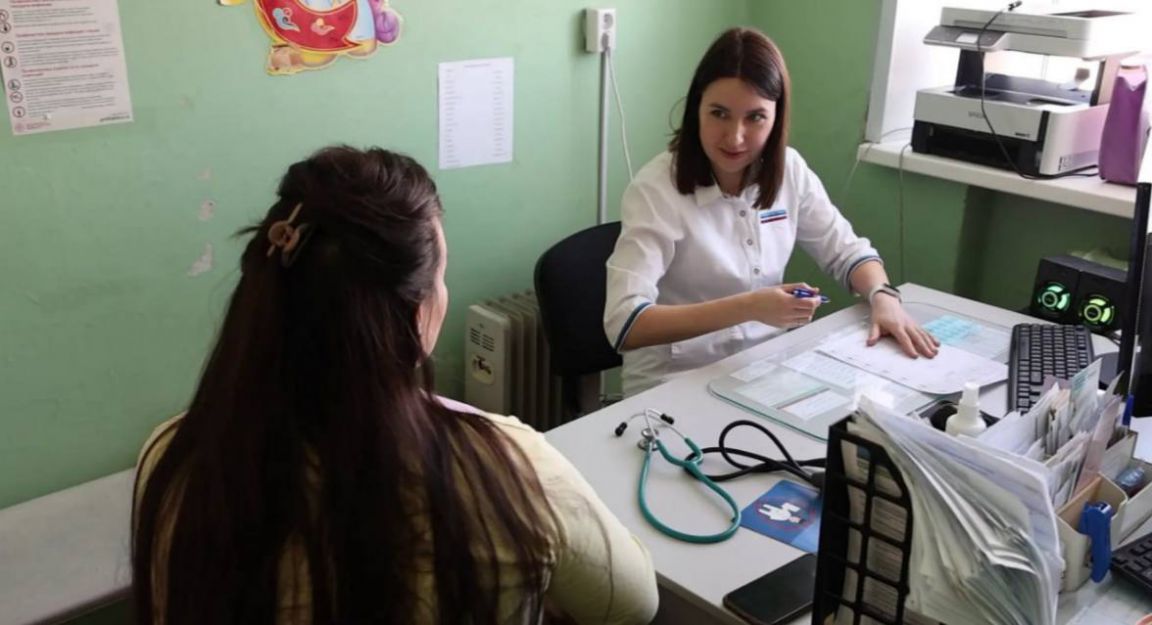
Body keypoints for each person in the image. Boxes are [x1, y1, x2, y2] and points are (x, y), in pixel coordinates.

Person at [132, 146, 658, 625]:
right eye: (441, 278)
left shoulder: (172, 458)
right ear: (413, 316)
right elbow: (633, 607)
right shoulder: (511, 470)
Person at [604, 27, 939, 396]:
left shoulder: (789, 170)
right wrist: (750, 307)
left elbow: (847, 252)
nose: (735, 136)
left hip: (764, 368)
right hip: (671, 381)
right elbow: (624, 323)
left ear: (777, 118)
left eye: (755, 117)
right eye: (719, 113)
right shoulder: (655, 189)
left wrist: (883, 296)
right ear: (696, 109)